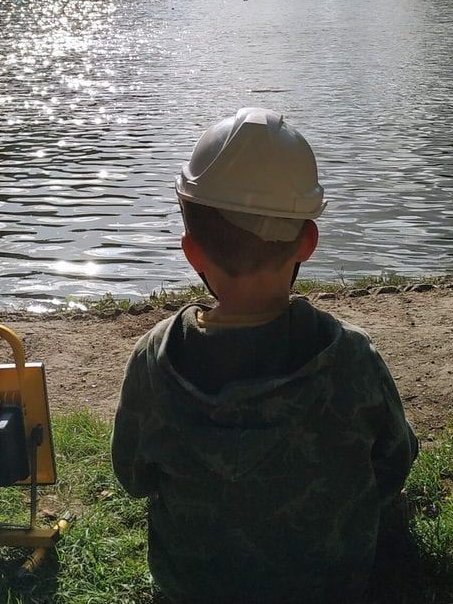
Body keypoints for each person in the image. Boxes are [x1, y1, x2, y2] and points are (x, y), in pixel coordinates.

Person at [111, 107, 418, 604]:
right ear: (308, 243)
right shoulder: (351, 356)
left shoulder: (155, 360)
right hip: (330, 588)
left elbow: (133, 477)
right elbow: (394, 461)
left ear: (192, 253)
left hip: (194, 590)